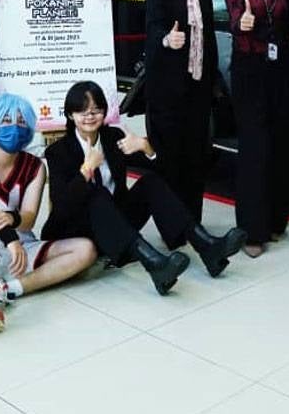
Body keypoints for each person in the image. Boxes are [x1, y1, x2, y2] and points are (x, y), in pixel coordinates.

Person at [42, 81, 246, 293]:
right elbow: (62, 204)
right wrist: (86, 170)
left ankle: (208, 247)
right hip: (80, 230)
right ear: (69, 115)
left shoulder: (113, 138)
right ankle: (154, 264)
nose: (90, 117)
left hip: (116, 222)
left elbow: (163, 172)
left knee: (150, 182)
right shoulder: (58, 152)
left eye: (96, 110)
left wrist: (146, 148)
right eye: (82, 112)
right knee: (97, 194)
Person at [0, 93, 97, 334]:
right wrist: (7, 236)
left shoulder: (35, 166)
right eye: (7, 121)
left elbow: (29, 216)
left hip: (18, 251)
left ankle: (9, 290)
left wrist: (13, 220)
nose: (15, 127)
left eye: (22, 122)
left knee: (86, 249)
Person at [223, 0, 289, 257]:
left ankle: (275, 221)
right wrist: (243, 23)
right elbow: (235, 16)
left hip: (281, 71)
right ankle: (252, 231)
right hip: (250, 72)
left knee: (281, 146)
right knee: (255, 149)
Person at [144, 0, 218, 225]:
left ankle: (192, 222)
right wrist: (167, 39)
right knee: (170, 159)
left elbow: (210, 39)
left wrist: (213, 84)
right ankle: (172, 225)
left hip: (197, 90)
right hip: (167, 91)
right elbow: (152, 31)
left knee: (195, 158)